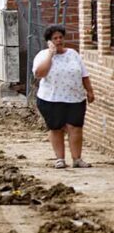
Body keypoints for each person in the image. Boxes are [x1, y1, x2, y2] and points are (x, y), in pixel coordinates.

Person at [32, 25, 95, 169]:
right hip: (51, 99)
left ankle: (77, 159)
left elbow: (84, 74)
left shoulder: (73, 54)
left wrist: (90, 91)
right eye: (55, 38)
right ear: (49, 41)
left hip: (75, 98)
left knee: (76, 128)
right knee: (56, 128)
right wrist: (50, 55)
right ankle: (60, 159)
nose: (59, 41)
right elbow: (39, 74)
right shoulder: (42, 55)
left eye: (60, 37)